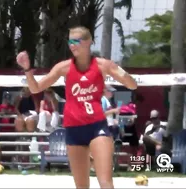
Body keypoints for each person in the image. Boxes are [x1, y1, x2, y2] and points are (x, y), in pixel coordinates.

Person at [16, 26, 137, 188]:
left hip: (97, 127)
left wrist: (119, 71)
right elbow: (35, 88)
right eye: (70, 41)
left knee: (105, 182)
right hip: (73, 130)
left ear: (89, 42)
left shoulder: (102, 65)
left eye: (76, 41)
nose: (72, 45)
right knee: (81, 186)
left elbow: (132, 85)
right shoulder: (63, 67)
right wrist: (27, 69)